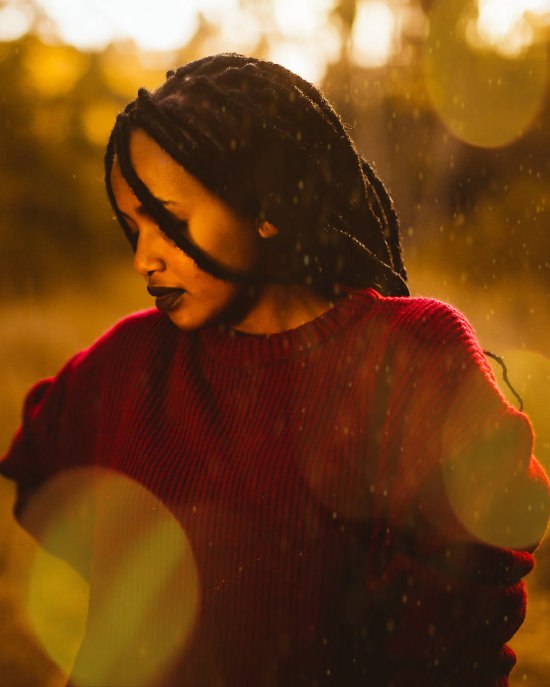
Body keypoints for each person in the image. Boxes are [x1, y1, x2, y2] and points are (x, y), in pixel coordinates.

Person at [1, 53, 549, 687]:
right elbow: (39, 465)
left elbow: (489, 543)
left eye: (169, 223)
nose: (143, 258)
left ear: (266, 208)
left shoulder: (412, 355)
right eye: (132, 228)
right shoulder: (128, 363)